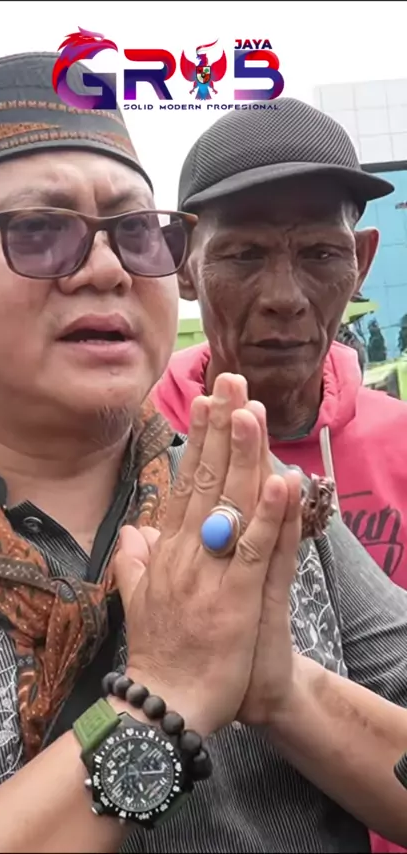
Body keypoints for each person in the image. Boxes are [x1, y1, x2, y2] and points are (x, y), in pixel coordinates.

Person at [0, 55, 407, 854]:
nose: (107, 268)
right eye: (37, 230)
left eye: (135, 232)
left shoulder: (263, 498)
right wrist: (160, 700)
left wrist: (288, 692)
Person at [153, 98, 407, 592]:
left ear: (361, 260)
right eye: (244, 255)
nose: (285, 299)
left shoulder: (402, 445)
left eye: (321, 253)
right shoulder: (126, 451)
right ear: (183, 267)